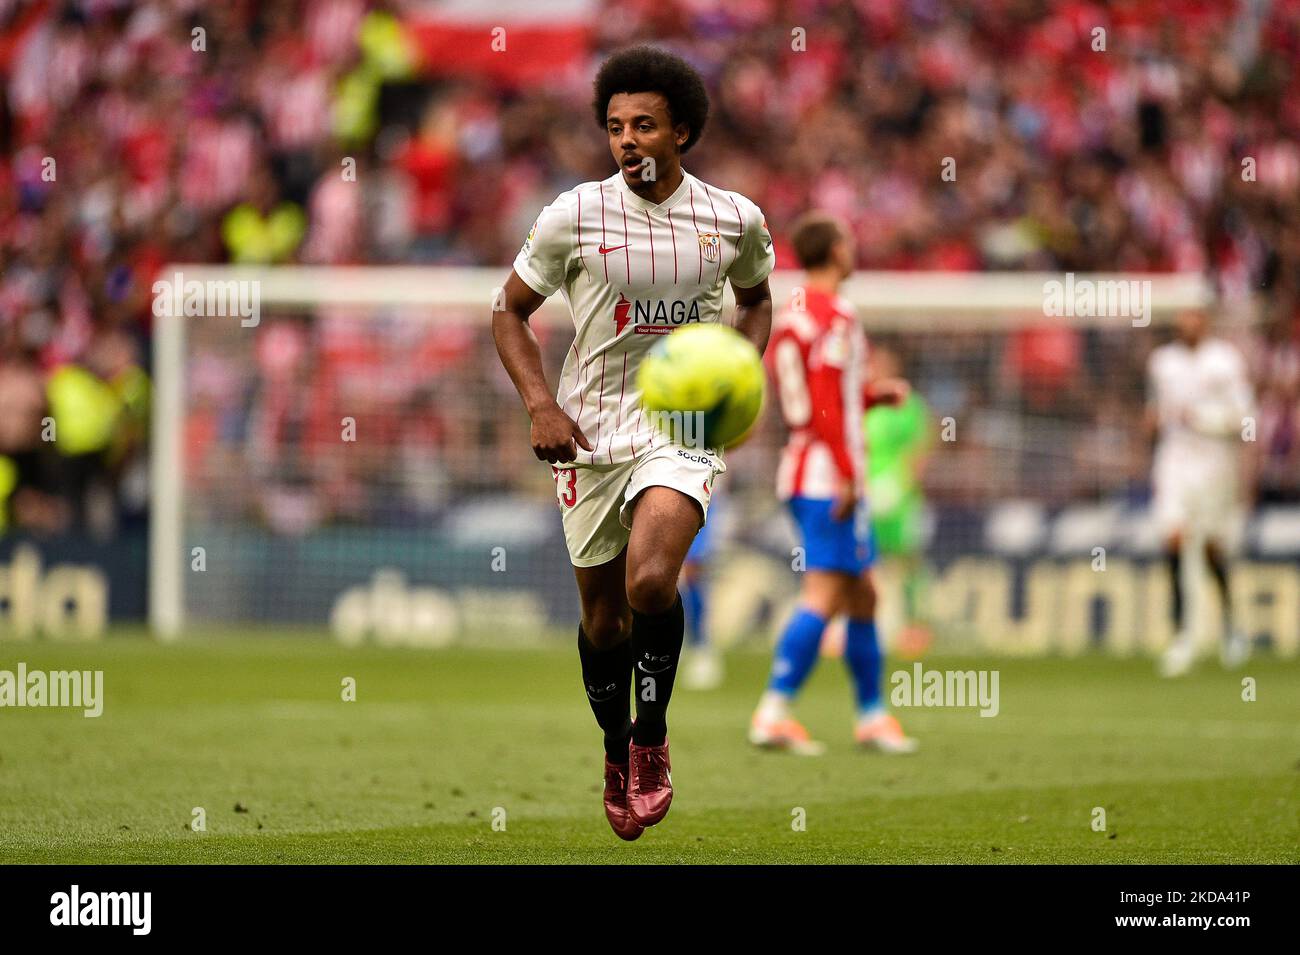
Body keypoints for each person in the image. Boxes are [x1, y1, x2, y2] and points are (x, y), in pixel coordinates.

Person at [491, 47, 774, 839]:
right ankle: (615, 747)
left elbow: (757, 301)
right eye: (615, 126)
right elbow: (507, 311)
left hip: (680, 425)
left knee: (653, 581)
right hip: (587, 428)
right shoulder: (573, 214)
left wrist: (734, 369)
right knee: (605, 622)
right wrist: (541, 404)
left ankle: (652, 738)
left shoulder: (733, 218)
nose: (627, 140)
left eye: (644, 124)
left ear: (682, 131)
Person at [749, 212, 917, 755]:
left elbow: (813, 399)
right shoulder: (836, 315)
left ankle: (871, 717)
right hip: (828, 477)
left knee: (864, 594)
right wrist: (848, 474)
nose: (853, 249)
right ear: (836, 251)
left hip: (804, 467)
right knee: (825, 593)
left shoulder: (794, 313)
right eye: (848, 241)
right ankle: (774, 710)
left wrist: (871, 396)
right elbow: (823, 404)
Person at [1147, 310, 1254, 677]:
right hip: (1174, 463)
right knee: (1174, 540)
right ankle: (1181, 636)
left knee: (1211, 546)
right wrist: (1151, 424)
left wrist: (1202, 419)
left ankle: (1230, 628)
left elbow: (1245, 419)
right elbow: (1155, 414)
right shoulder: (1161, 363)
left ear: (1205, 320)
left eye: (1193, 315)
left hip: (1214, 465)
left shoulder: (1225, 360)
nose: (1186, 322)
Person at [863, 344, 933, 657]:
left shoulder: (908, 404)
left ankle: (915, 626)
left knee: (907, 560)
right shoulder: (862, 401)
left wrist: (902, 481)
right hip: (864, 495)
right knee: (862, 561)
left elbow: (923, 443)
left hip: (898, 497)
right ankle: (862, 625)